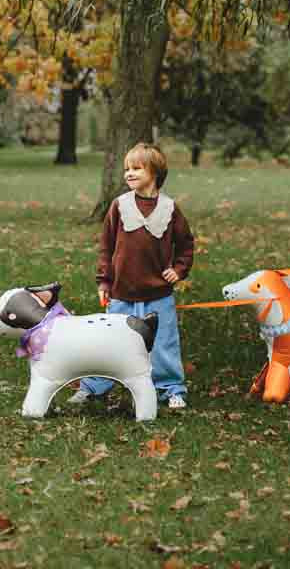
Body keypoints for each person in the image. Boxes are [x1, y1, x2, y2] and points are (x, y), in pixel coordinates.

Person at [69, 142, 194, 409]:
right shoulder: (119, 206)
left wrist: (179, 269)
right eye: (127, 168)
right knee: (109, 343)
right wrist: (104, 280)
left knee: (163, 345)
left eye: (137, 168)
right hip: (122, 292)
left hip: (158, 294)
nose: (129, 173)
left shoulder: (170, 209)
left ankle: (171, 389)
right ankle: (94, 387)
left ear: (155, 173)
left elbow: (185, 245)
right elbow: (106, 246)